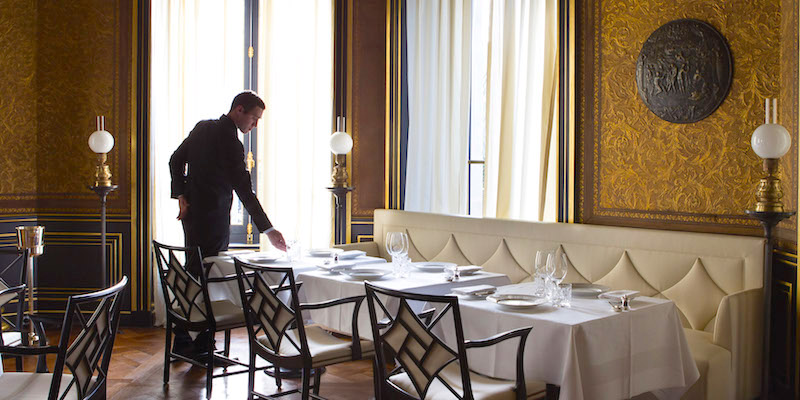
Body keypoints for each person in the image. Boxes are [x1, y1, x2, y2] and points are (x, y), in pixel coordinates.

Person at [168, 91, 286, 358]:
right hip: (212, 220)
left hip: (193, 217)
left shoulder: (202, 127)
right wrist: (268, 229)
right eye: (254, 119)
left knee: (194, 275)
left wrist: (182, 195)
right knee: (206, 280)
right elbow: (244, 190)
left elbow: (175, 160)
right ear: (239, 110)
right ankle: (202, 348)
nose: (254, 126)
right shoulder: (230, 142)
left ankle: (184, 340)